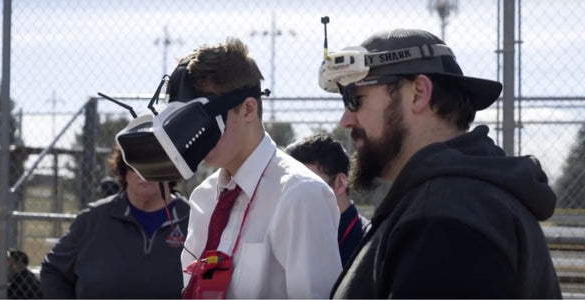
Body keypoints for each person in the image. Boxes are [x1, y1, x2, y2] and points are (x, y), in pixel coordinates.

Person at [322, 29, 561, 298]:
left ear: (418, 93)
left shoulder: (445, 217)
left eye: (354, 99)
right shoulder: (464, 197)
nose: (345, 120)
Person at [176, 38, 341, 298]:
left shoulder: (300, 196)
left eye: (205, 118)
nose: (194, 134)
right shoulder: (204, 197)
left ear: (248, 109)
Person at [40, 145, 190, 298]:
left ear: (171, 169)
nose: (142, 173)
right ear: (123, 171)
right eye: (134, 165)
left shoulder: (195, 220)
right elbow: (52, 269)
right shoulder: (93, 218)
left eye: (152, 163)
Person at [285, 132, 368, 266]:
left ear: (340, 183)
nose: (294, 194)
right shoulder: (291, 238)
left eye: (306, 184)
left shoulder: (370, 246)